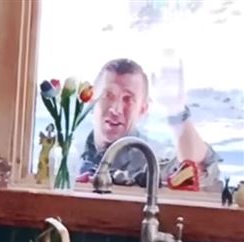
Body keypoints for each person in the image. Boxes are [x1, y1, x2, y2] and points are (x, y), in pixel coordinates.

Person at [78, 58, 221, 191]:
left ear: (143, 110)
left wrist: (176, 111)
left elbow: (198, 165)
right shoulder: (68, 153)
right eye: (108, 95)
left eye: (128, 99)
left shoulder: (149, 161)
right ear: (92, 99)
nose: (116, 110)